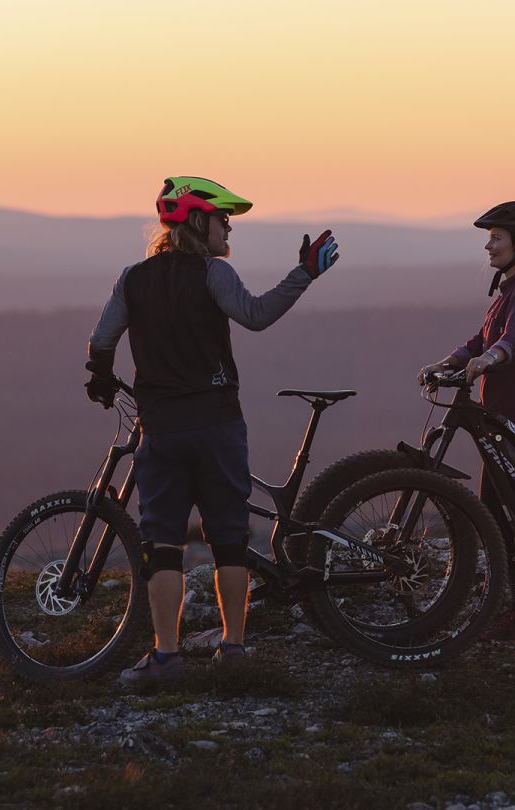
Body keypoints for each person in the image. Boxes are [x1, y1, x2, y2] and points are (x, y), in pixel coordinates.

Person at [86, 176, 341, 687]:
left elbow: (101, 339)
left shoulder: (132, 278)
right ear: (198, 221)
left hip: (161, 429)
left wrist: (101, 377)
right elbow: (257, 315)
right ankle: (234, 650)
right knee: (227, 540)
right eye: (223, 219)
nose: (228, 227)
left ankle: (165, 658)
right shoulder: (213, 273)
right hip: (219, 427)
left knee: (162, 544)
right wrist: (305, 273)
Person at [417, 201, 515, 644]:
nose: (488, 245)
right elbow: (482, 338)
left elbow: (509, 342)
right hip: (502, 420)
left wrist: (489, 359)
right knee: (498, 515)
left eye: (496, 238)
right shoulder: (509, 291)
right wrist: (450, 361)